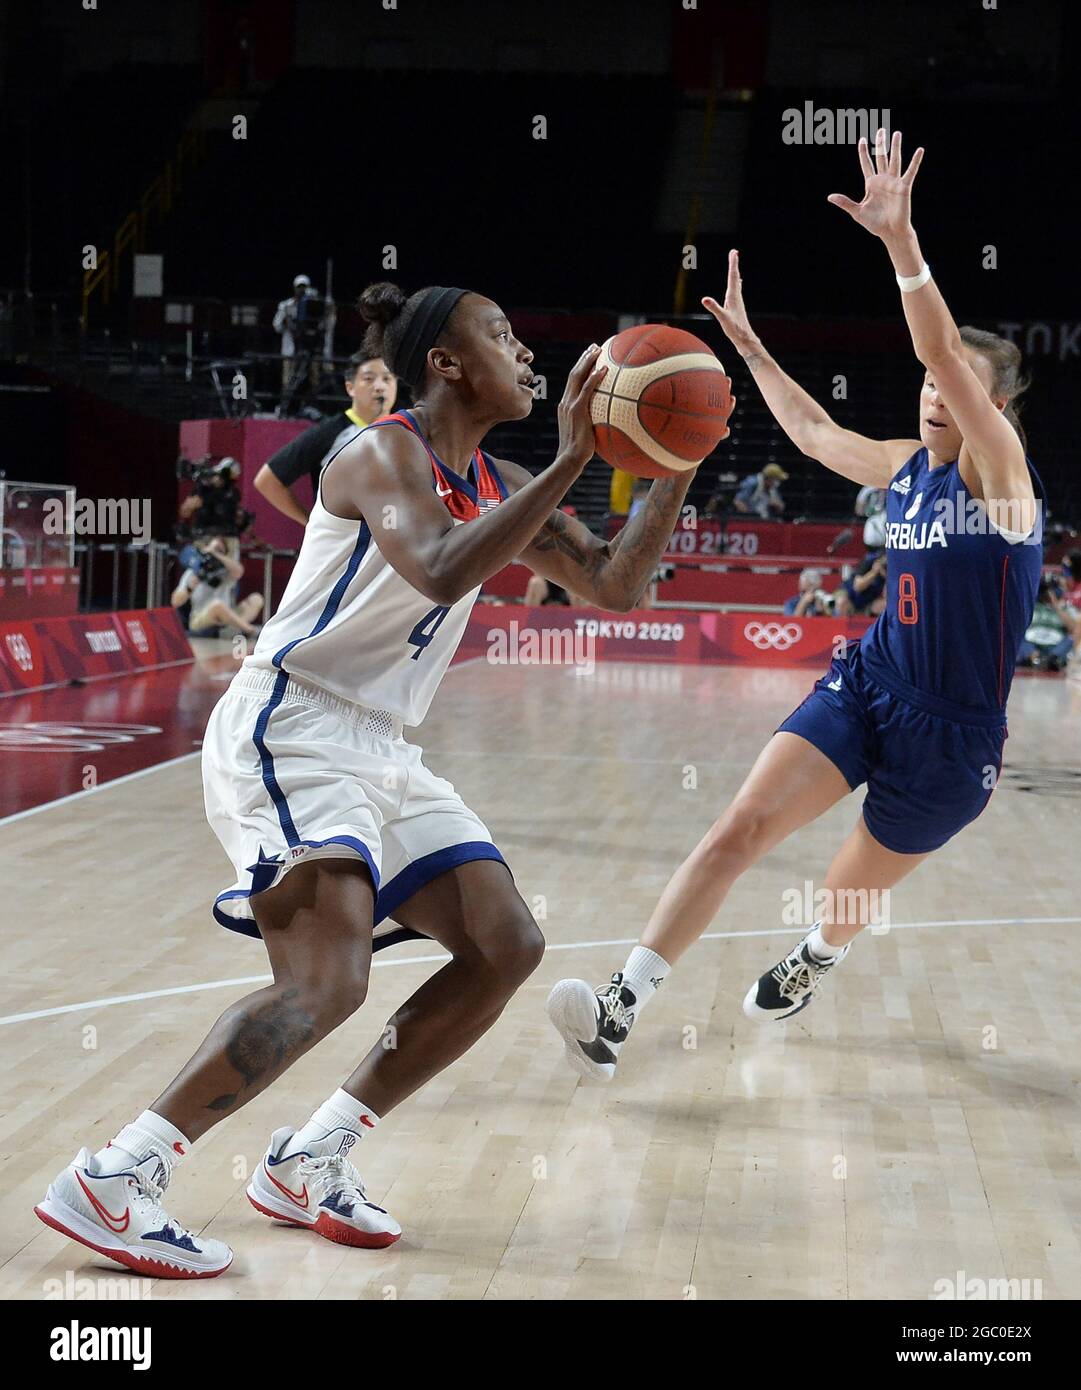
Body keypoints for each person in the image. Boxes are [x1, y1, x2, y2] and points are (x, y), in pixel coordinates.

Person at [34, 280, 727, 1277]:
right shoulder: (376, 452)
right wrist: (581, 450)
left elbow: (618, 584)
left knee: (504, 944)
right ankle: (112, 1176)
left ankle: (308, 1159)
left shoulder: (496, 482)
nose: (527, 354)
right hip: (294, 726)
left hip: (384, 745)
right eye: (501, 333)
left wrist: (676, 460)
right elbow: (441, 569)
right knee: (327, 978)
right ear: (444, 364)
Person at [548, 130, 1042, 1081]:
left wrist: (901, 245)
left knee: (839, 899)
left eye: (958, 387)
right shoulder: (904, 465)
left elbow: (935, 339)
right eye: (931, 384)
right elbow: (815, 433)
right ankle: (621, 1004)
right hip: (869, 686)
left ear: (995, 409)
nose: (936, 391)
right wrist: (747, 347)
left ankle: (816, 958)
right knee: (737, 826)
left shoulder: (1004, 482)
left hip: (952, 741)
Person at [254, 353, 398, 527]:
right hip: (342, 544)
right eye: (368, 379)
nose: (379, 386)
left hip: (392, 543)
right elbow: (267, 480)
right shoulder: (331, 432)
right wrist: (311, 523)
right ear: (350, 387)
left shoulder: (407, 432)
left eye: (387, 379)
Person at [171, 537, 263, 637]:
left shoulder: (225, 573)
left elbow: (239, 571)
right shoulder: (193, 572)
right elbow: (175, 602)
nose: (214, 553)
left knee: (256, 599)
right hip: (200, 619)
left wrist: (215, 554)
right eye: (213, 549)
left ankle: (232, 630)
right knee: (217, 605)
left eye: (220, 551)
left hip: (225, 618)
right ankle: (250, 630)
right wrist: (189, 588)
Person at [272, 274, 320, 387]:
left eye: (304, 287)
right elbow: (276, 326)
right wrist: (287, 322)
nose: (302, 290)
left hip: (310, 349)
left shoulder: (315, 306)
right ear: (295, 288)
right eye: (299, 287)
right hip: (291, 350)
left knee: (314, 379)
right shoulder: (285, 306)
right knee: (288, 380)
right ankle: (286, 403)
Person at [833, 548, 888, 617]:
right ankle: (840, 626)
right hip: (849, 596)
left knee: (886, 605)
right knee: (842, 602)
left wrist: (887, 576)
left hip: (867, 602)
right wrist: (874, 572)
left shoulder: (889, 571)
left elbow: (887, 595)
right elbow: (858, 587)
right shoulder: (869, 561)